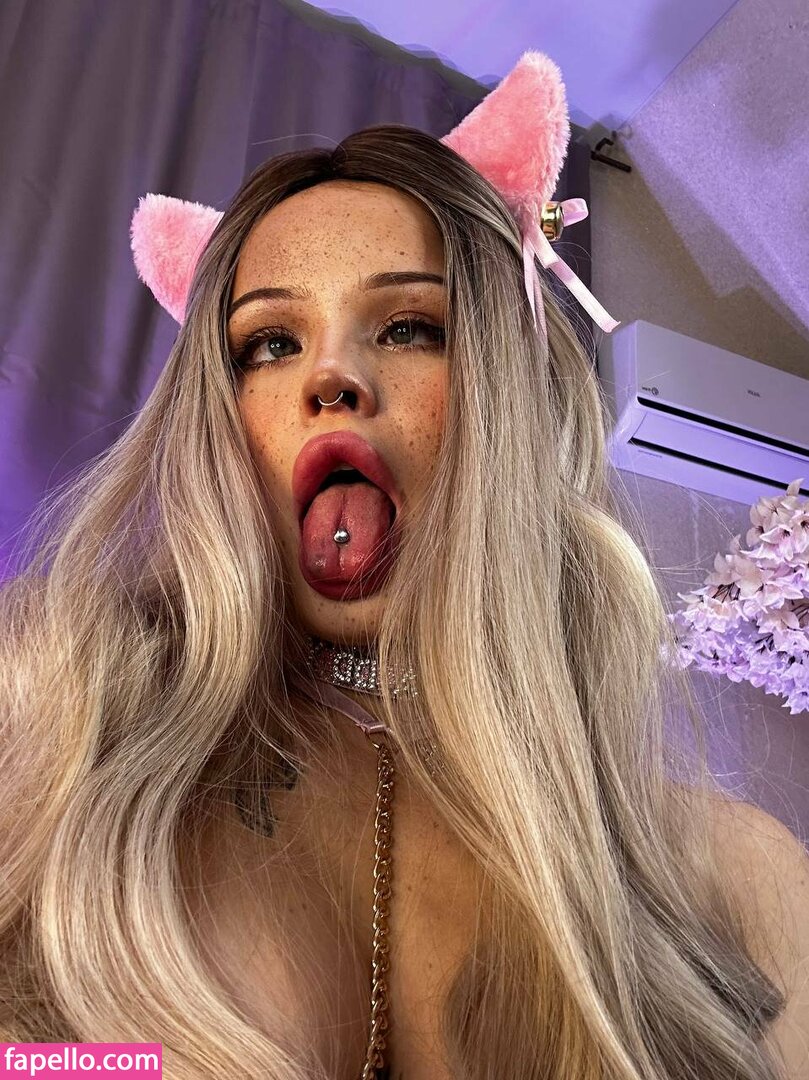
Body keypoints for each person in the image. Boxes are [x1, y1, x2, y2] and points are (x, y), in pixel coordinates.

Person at [0, 54, 801, 1080]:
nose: (332, 375)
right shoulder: (55, 741)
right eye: (268, 343)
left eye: (409, 326)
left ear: (502, 400)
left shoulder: (740, 880)